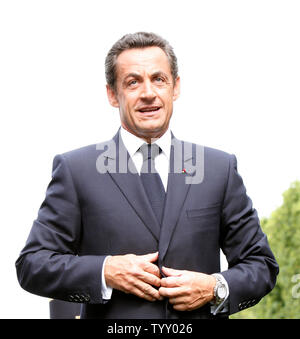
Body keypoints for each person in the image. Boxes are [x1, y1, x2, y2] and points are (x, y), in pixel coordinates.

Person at [16, 32, 279, 319]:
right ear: (112, 95)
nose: (148, 93)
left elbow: (261, 264)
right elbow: (32, 264)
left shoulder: (219, 169)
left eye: (159, 79)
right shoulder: (76, 170)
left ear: (175, 87)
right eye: (132, 82)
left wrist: (214, 287)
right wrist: (106, 271)